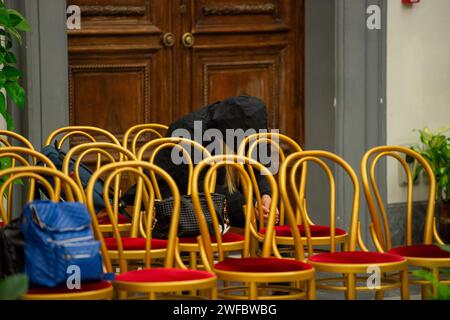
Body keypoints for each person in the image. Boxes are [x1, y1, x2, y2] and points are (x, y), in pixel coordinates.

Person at [123, 95, 279, 228]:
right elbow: (202, 187)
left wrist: (265, 197)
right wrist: (250, 205)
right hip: (176, 200)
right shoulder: (189, 131)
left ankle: (273, 257)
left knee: (271, 215)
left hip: (215, 193)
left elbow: (259, 168)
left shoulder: (246, 126)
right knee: (252, 212)